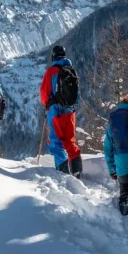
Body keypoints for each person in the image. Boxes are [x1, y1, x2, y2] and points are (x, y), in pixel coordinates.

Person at [40, 45, 82, 178]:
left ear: (53, 56)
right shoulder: (71, 70)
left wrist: (47, 106)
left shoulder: (51, 72)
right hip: (70, 112)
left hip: (56, 112)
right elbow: (77, 95)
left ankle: (63, 175)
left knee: (55, 143)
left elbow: (44, 94)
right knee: (69, 141)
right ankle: (77, 171)